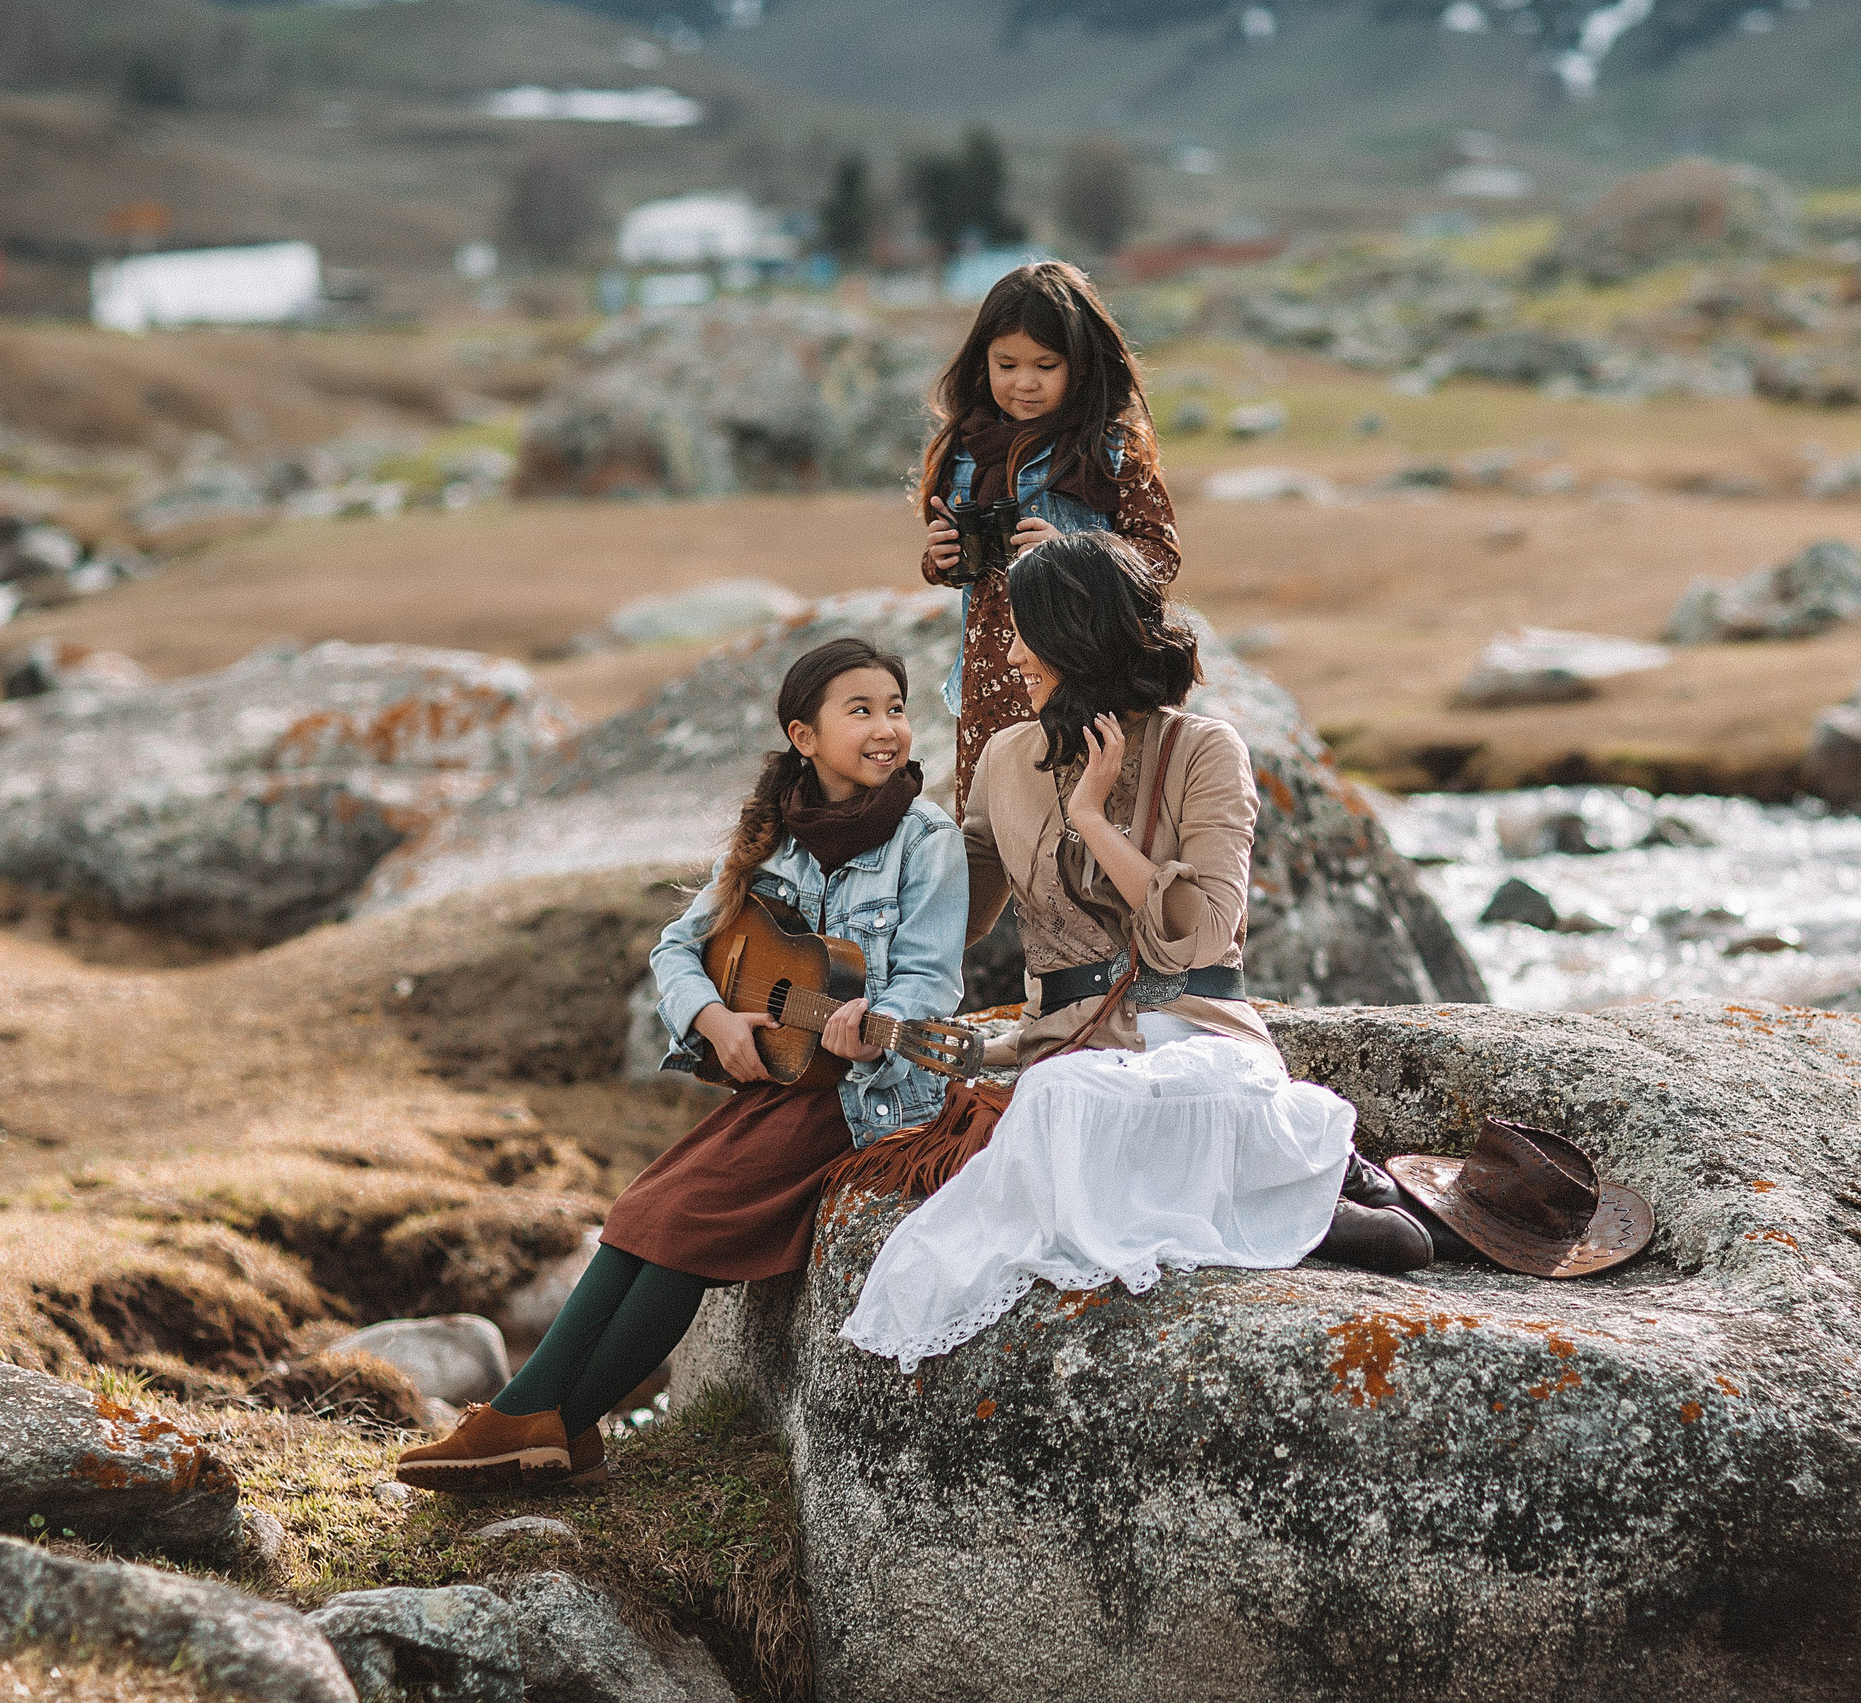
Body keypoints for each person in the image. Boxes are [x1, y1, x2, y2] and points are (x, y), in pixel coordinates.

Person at [839, 533, 1430, 1373]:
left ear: (1079, 638)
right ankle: (1288, 1195)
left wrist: (1090, 817)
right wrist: (866, 852)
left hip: (1193, 1030)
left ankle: (1301, 1186)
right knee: (1064, 1098)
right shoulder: (1005, 757)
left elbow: (1202, 933)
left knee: (1117, 1098)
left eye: (1025, 633)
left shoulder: (1205, 749)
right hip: (1071, 1049)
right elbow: (951, 919)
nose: (1010, 655)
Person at [397, 638, 967, 1491]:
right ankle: (545, 1426)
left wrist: (875, 1019)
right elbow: (679, 946)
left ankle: (538, 1422)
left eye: (896, 707)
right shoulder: (774, 840)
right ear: (803, 736)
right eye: (862, 710)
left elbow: (928, 982)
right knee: (639, 1210)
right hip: (781, 1084)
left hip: (867, 1096)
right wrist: (710, 1014)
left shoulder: (929, 840)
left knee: (680, 1224)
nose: (887, 728)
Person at [915, 259, 1180, 815]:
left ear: (1081, 367)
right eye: (1005, 364)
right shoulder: (965, 449)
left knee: (1086, 825)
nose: (1024, 382)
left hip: (1087, 680)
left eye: (1045, 364)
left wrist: (1075, 557)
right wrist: (941, 560)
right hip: (992, 675)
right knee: (991, 828)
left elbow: (1160, 554)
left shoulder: (1110, 452)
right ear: (980, 362)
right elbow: (961, 570)